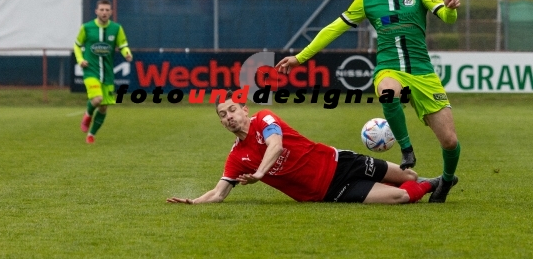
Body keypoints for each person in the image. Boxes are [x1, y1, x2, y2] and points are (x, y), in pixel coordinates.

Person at [276, 0, 461, 203]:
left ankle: (445, 181)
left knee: (450, 142)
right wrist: (300, 57)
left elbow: (447, 17)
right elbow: (333, 29)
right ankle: (407, 150)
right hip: (389, 68)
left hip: (423, 74)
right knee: (388, 93)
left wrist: (450, 8)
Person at [166, 91, 457, 205]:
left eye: (231, 110)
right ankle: (435, 184)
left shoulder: (265, 117)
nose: (228, 117)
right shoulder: (237, 157)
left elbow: (276, 146)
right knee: (398, 197)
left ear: (244, 108)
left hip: (338, 161)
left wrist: (259, 174)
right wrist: (194, 202)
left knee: (408, 176)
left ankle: (427, 181)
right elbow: (219, 192)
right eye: (222, 115)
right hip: (327, 191)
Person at [74, 0, 132, 144]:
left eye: (107, 10)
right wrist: (80, 60)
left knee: (103, 107)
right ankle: (87, 114)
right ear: (96, 11)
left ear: (111, 12)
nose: (104, 12)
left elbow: (123, 45)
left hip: (107, 73)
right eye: (102, 10)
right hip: (90, 70)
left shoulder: (116, 28)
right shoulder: (86, 28)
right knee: (97, 99)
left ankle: (91, 134)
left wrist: (127, 53)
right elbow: (77, 45)